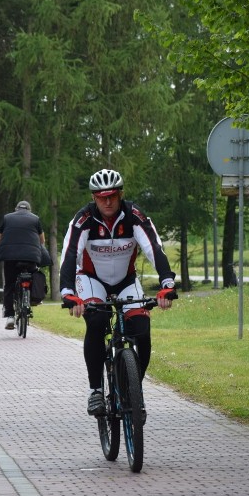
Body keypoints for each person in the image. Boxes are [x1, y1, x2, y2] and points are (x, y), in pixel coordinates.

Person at [59, 169, 176, 416]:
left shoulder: (134, 216)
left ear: (121, 194)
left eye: (112, 195)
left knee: (142, 329)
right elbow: (70, 254)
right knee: (98, 321)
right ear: (94, 198)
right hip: (91, 280)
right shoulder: (83, 220)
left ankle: (133, 390)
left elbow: (154, 248)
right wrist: (68, 293)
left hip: (125, 280)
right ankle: (95, 391)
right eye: (101, 197)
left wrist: (167, 284)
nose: (108, 201)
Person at [0, 200, 50, 330]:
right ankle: (34, 298)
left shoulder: (7, 218)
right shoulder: (35, 219)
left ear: (16, 209)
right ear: (29, 210)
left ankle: (10, 316)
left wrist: (1, 250)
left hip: (11, 257)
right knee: (33, 275)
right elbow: (42, 240)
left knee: (10, 285)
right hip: (31, 257)